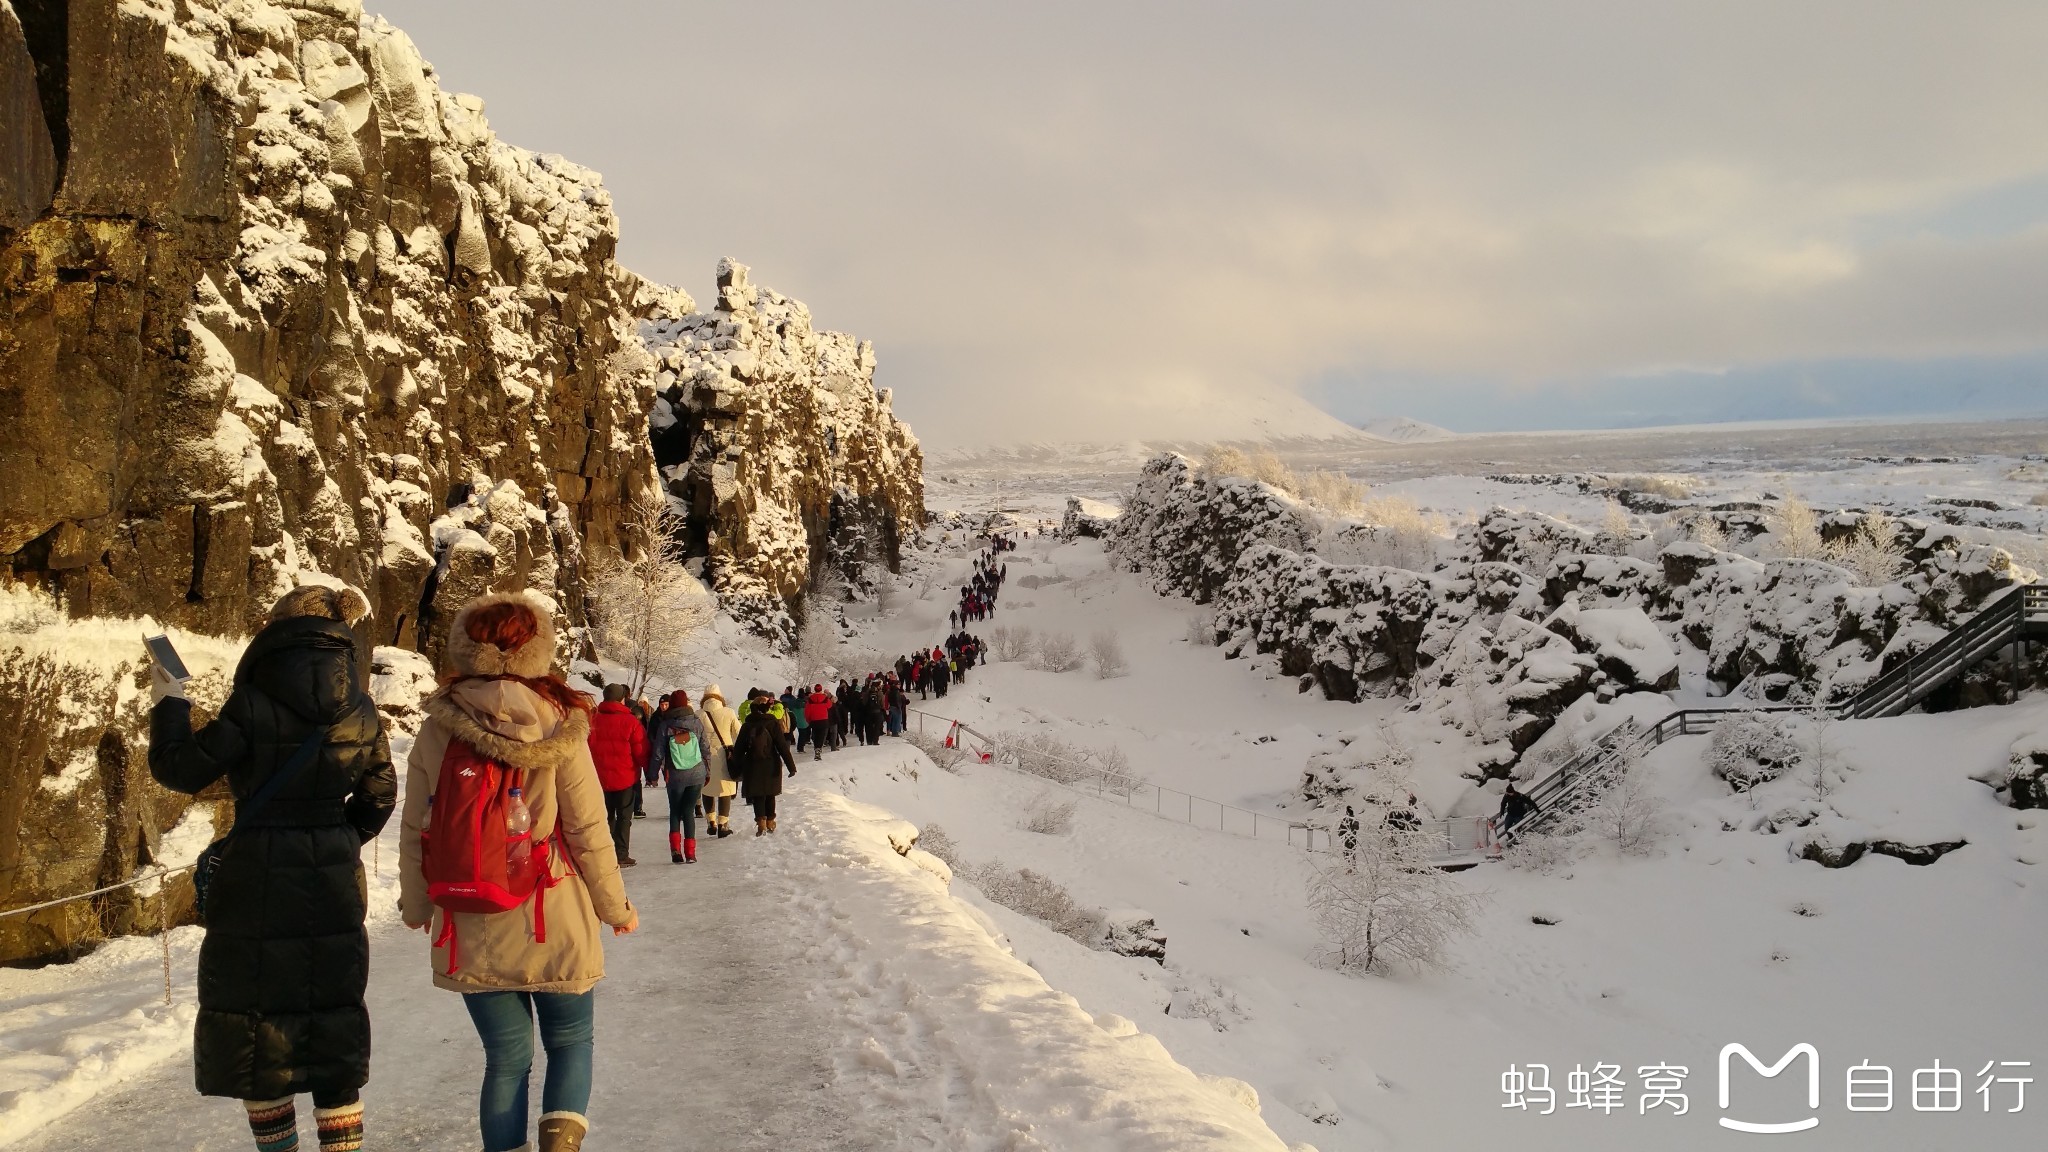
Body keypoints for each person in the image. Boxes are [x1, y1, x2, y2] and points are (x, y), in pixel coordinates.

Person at [148, 585, 395, 1152]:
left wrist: (170, 702)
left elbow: (182, 768)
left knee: (258, 1034)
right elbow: (380, 793)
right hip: (331, 878)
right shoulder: (360, 708)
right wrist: (335, 839)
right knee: (331, 1021)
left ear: (274, 634)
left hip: (256, 871)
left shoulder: (253, 701)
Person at [398, 590, 638, 1152]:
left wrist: (416, 907)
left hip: (469, 916)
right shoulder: (562, 724)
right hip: (551, 910)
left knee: (505, 1062)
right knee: (571, 1041)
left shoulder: (439, 725)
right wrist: (615, 909)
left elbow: (417, 828)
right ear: (537, 651)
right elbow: (587, 831)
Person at [649, 690, 714, 863]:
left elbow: (657, 753)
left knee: (675, 811)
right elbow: (705, 749)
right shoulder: (696, 722)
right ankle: (691, 853)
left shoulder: (666, 725)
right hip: (696, 773)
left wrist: (652, 775)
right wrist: (707, 772)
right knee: (689, 811)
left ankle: (676, 851)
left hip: (675, 774)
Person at [588, 684, 648, 868]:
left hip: (599, 778)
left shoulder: (592, 720)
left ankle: (604, 853)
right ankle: (621, 854)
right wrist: (649, 770)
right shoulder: (630, 722)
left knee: (605, 817)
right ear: (622, 699)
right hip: (625, 777)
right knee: (624, 818)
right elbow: (641, 751)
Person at [733, 687, 797, 834]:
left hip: (753, 763)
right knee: (770, 793)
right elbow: (782, 746)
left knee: (758, 795)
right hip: (771, 763)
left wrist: (735, 767)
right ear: (767, 708)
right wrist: (791, 766)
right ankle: (770, 820)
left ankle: (760, 820)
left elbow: (739, 749)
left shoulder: (747, 725)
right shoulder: (773, 723)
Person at [698, 685, 741, 837]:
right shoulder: (729, 712)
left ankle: (711, 822)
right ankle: (723, 824)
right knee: (725, 790)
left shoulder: (698, 714)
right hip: (724, 756)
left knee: (707, 789)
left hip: (704, 757)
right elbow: (739, 733)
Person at [804, 683, 834, 761]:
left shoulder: (810, 699)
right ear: (821, 689)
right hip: (823, 719)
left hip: (814, 719)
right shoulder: (824, 698)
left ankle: (816, 747)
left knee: (815, 734)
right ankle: (818, 749)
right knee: (821, 735)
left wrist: (808, 719)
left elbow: (807, 710)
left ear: (814, 689)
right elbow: (830, 705)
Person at [782, 686, 810, 752]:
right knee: (802, 734)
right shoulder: (805, 702)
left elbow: (791, 709)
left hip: (795, 718)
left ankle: (793, 742)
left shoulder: (794, 701)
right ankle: (800, 748)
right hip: (803, 720)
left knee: (793, 731)